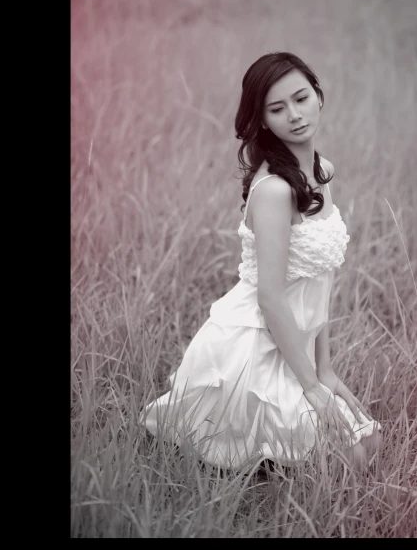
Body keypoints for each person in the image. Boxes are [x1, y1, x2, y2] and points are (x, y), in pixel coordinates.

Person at [140, 52, 381, 473]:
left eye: (301, 98)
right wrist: (311, 386)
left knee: (372, 443)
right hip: (255, 344)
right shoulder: (274, 190)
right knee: (351, 460)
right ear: (263, 120)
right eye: (277, 108)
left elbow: (318, 281)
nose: (295, 115)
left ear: (318, 97)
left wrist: (325, 371)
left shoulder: (322, 171)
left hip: (297, 342)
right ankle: (253, 464)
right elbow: (270, 298)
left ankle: (270, 461)